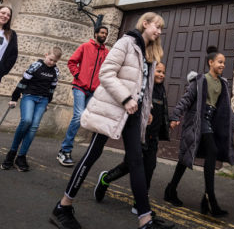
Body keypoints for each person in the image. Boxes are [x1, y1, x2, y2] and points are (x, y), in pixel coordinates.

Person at [50, 12, 174, 229]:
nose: (159, 31)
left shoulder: (150, 53)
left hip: (133, 114)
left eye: (161, 29)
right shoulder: (126, 43)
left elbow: (144, 87)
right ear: (145, 24)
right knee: (92, 154)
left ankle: (145, 220)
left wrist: (146, 110)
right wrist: (125, 98)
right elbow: (106, 73)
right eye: (157, 26)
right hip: (113, 109)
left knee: (136, 161)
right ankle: (63, 205)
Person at [164, 46, 234, 217]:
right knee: (209, 152)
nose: (223, 65)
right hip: (196, 122)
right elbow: (186, 99)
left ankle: (171, 189)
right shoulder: (199, 81)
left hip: (211, 122)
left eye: (224, 63)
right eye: (220, 62)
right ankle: (209, 199)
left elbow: (226, 108)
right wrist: (175, 115)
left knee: (186, 158)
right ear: (211, 62)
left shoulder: (222, 83)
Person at [94, 62, 171, 215]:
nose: (161, 75)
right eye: (158, 71)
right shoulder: (144, 90)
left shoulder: (161, 90)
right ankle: (105, 179)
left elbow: (163, 112)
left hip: (153, 137)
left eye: (163, 72)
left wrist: (169, 123)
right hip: (140, 135)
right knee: (129, 165)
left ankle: (139, 203)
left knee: (149, 167)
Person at [1, 46, 62, 172]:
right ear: (46, 54)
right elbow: (23, 82)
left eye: (55, 61)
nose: (52, 63)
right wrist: (14, 98)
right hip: (29, 96)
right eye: (51, 59)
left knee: (34, 127)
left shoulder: (55, 71)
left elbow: (51, 89)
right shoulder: (36, 66)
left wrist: (47, 102)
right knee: (26, 121)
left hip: (42, 100)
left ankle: (21, 157)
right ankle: (11, 153)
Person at [57, 26, 109, 167]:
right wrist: (78, 75)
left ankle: (65, 149)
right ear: (96, 34)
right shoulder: (85, 46)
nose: (104, 35)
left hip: (94, 91)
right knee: (79, 115)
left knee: (85, 118)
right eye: (102, 33)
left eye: (106, 33)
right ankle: (65, 150)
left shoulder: (107, 53)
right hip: (80, 87)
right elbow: (72, 62)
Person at [0, 5, 18, 82]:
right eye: (3, 13)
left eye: (8, 15)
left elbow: (13, 55)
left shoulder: (11, 34)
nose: (5, 16)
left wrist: (2, 70)